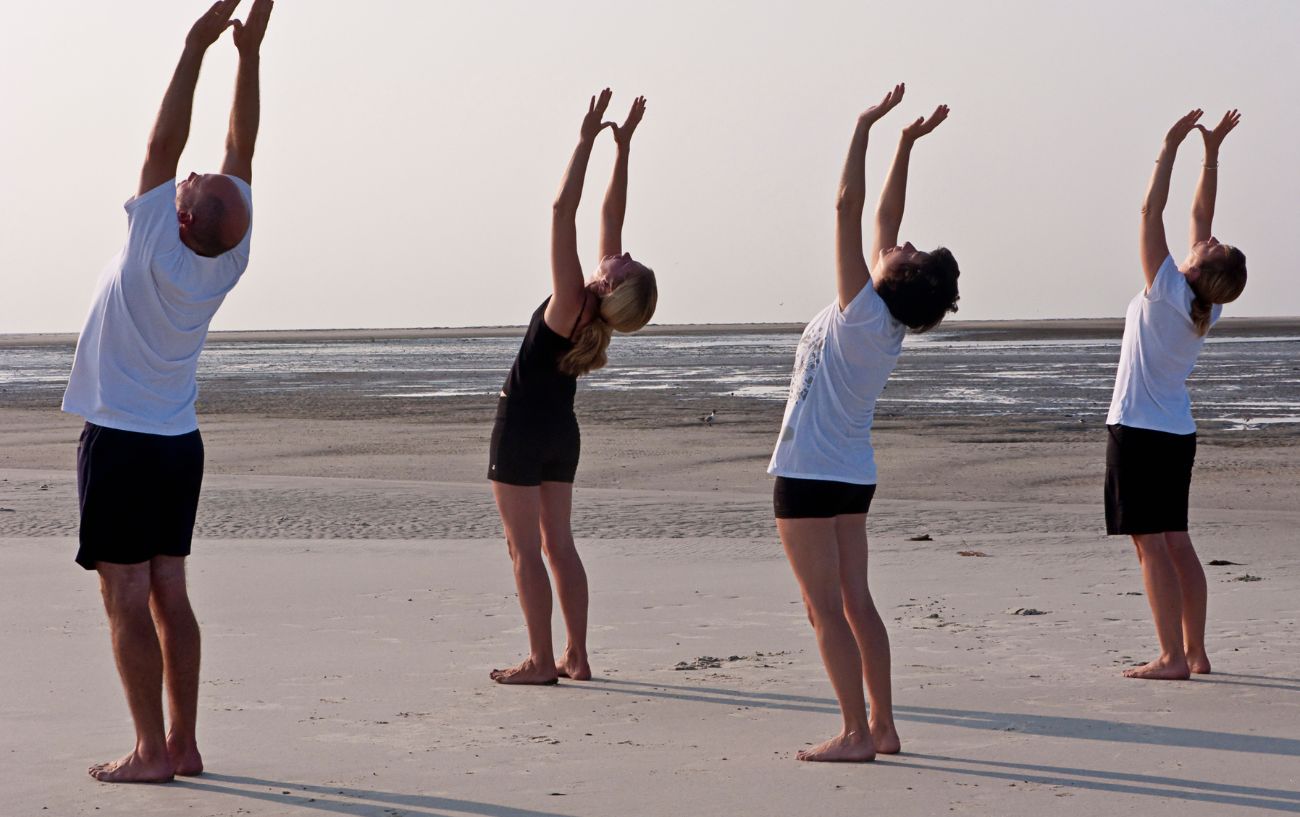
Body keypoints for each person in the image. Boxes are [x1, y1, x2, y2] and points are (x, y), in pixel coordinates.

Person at [61, 0, 274, 783]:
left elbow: (166, 141)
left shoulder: (155, 234)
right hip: (176, 442)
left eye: (190, 184)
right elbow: (239, 148)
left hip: (119, 437)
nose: (186, 173)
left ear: (180, 216)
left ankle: (153, 750)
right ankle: (184, 740)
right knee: (169, 591)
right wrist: (248, 57)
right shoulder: (228, 251)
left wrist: (195, 45)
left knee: (125, 595)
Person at [767, 83, 960, 762]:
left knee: (825, 608)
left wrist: (862, 126)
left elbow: (849, 207)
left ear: (893, 276)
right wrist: (905, 143)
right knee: (856, 601)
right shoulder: (884, 320)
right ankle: (881, 723)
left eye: (905, 251)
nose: (900, 240)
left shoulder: (860, 312)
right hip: (849, 474)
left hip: (811, 473)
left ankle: (855, 731)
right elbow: (883, 213)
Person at [487, 89, 658, 685]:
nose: (622, 254)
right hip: (562, 434)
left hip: (522, 433)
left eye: (623, 263)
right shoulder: (598, 314)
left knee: (524, 551)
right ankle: (576, 655)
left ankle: (541, 660)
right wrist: (624, 146)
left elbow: (564, 212)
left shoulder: (569, 302)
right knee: (559, 545)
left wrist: (584, 140)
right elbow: (612, 217)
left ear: (611, 286)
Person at [1105, 108, 1247, 681]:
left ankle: (1171, 657)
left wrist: (1167, 146)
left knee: (1152, 546)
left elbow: (1151, 211)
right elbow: (1199, 215)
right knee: (1177, 541)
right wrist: (1210, 152)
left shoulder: (1168, 289)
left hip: (1139, 432)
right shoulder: (1200, 304)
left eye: (1210, 247)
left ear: (1196, 269)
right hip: (1174, 433)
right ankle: (1196, 651)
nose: (1209, 238)